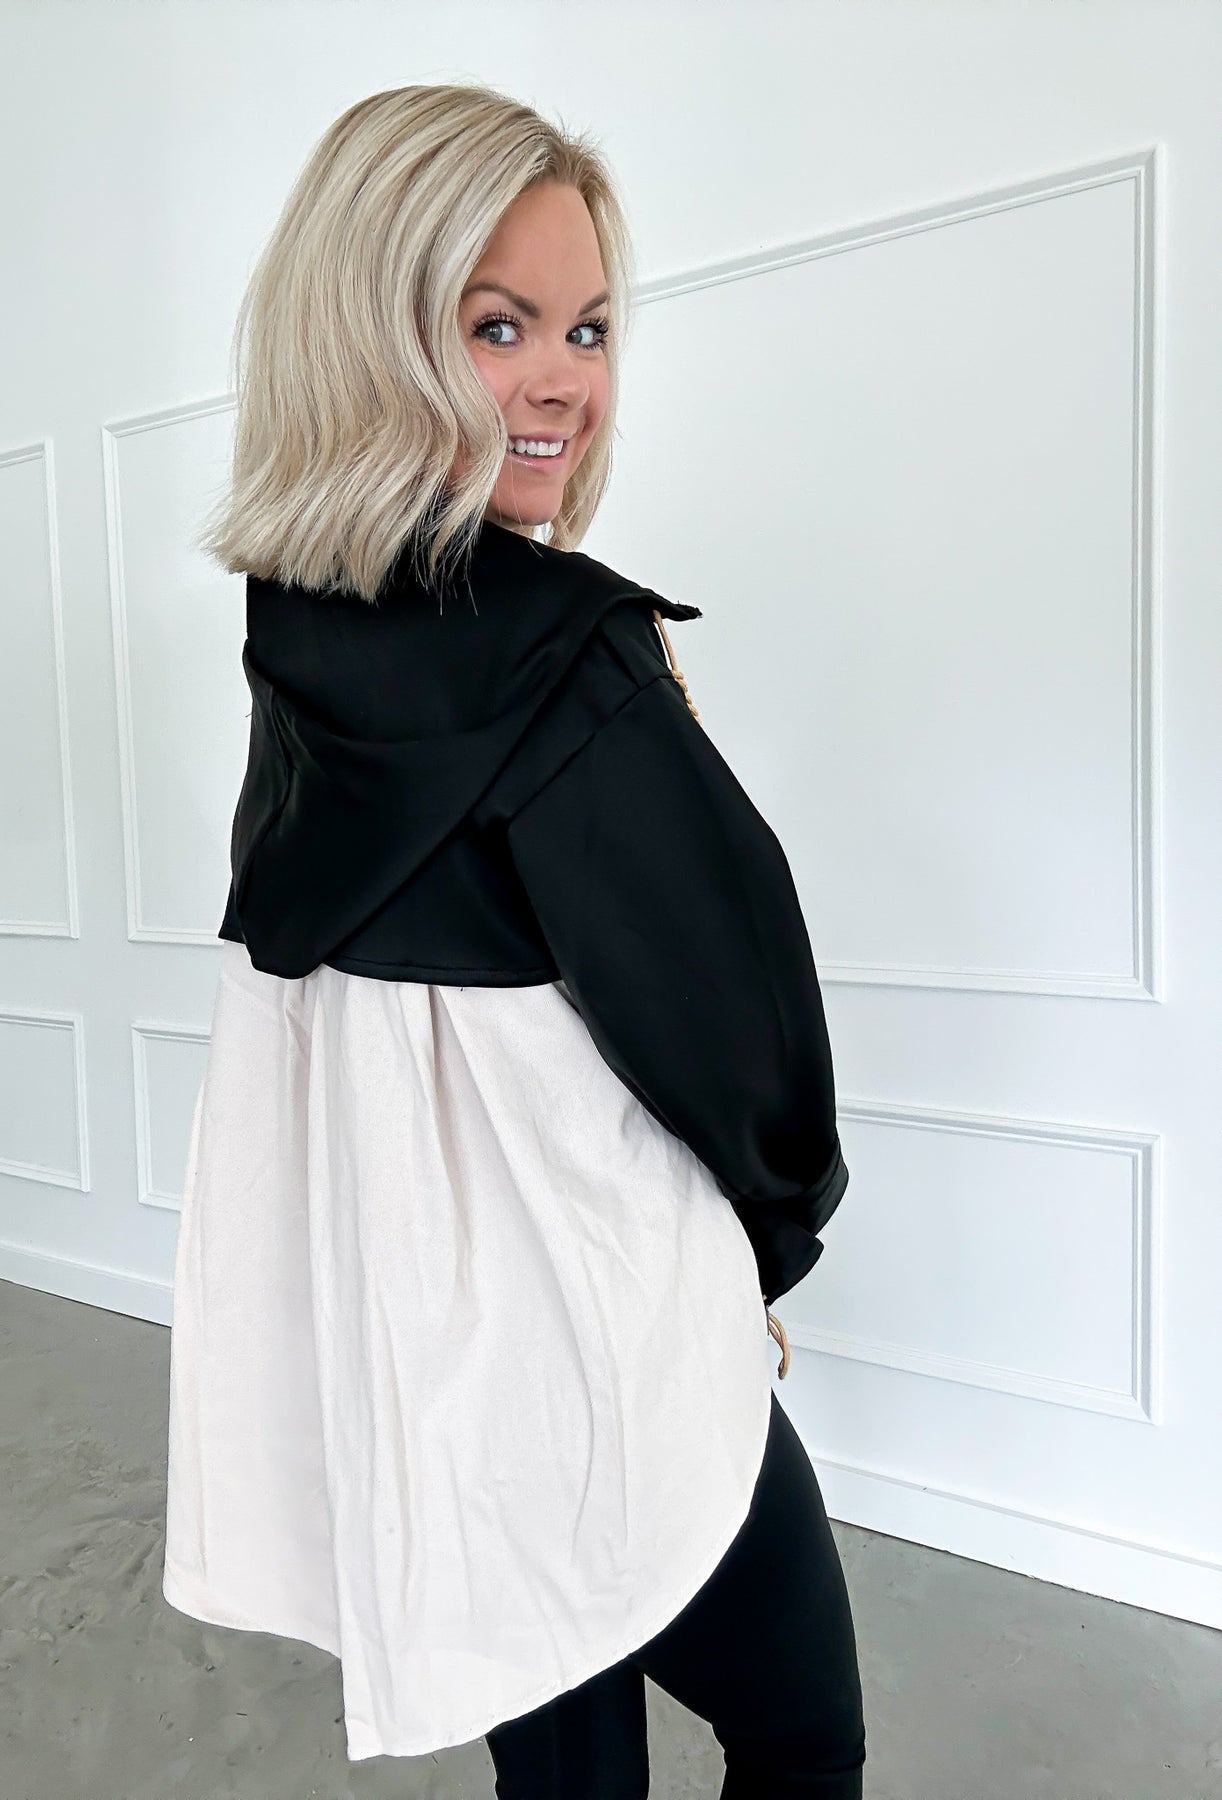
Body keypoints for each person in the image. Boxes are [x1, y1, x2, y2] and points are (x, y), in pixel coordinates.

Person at [161, 80, 866, 1799]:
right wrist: (770, 1238)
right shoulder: (568, 660)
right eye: (497, 326)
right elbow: (731, 1017)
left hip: (431, 1340)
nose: (562, 379)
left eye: (586, 327)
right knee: (797, 1733)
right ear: (369, 334)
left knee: (561, 1766)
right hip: (611, 1315)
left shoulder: (298, 639)